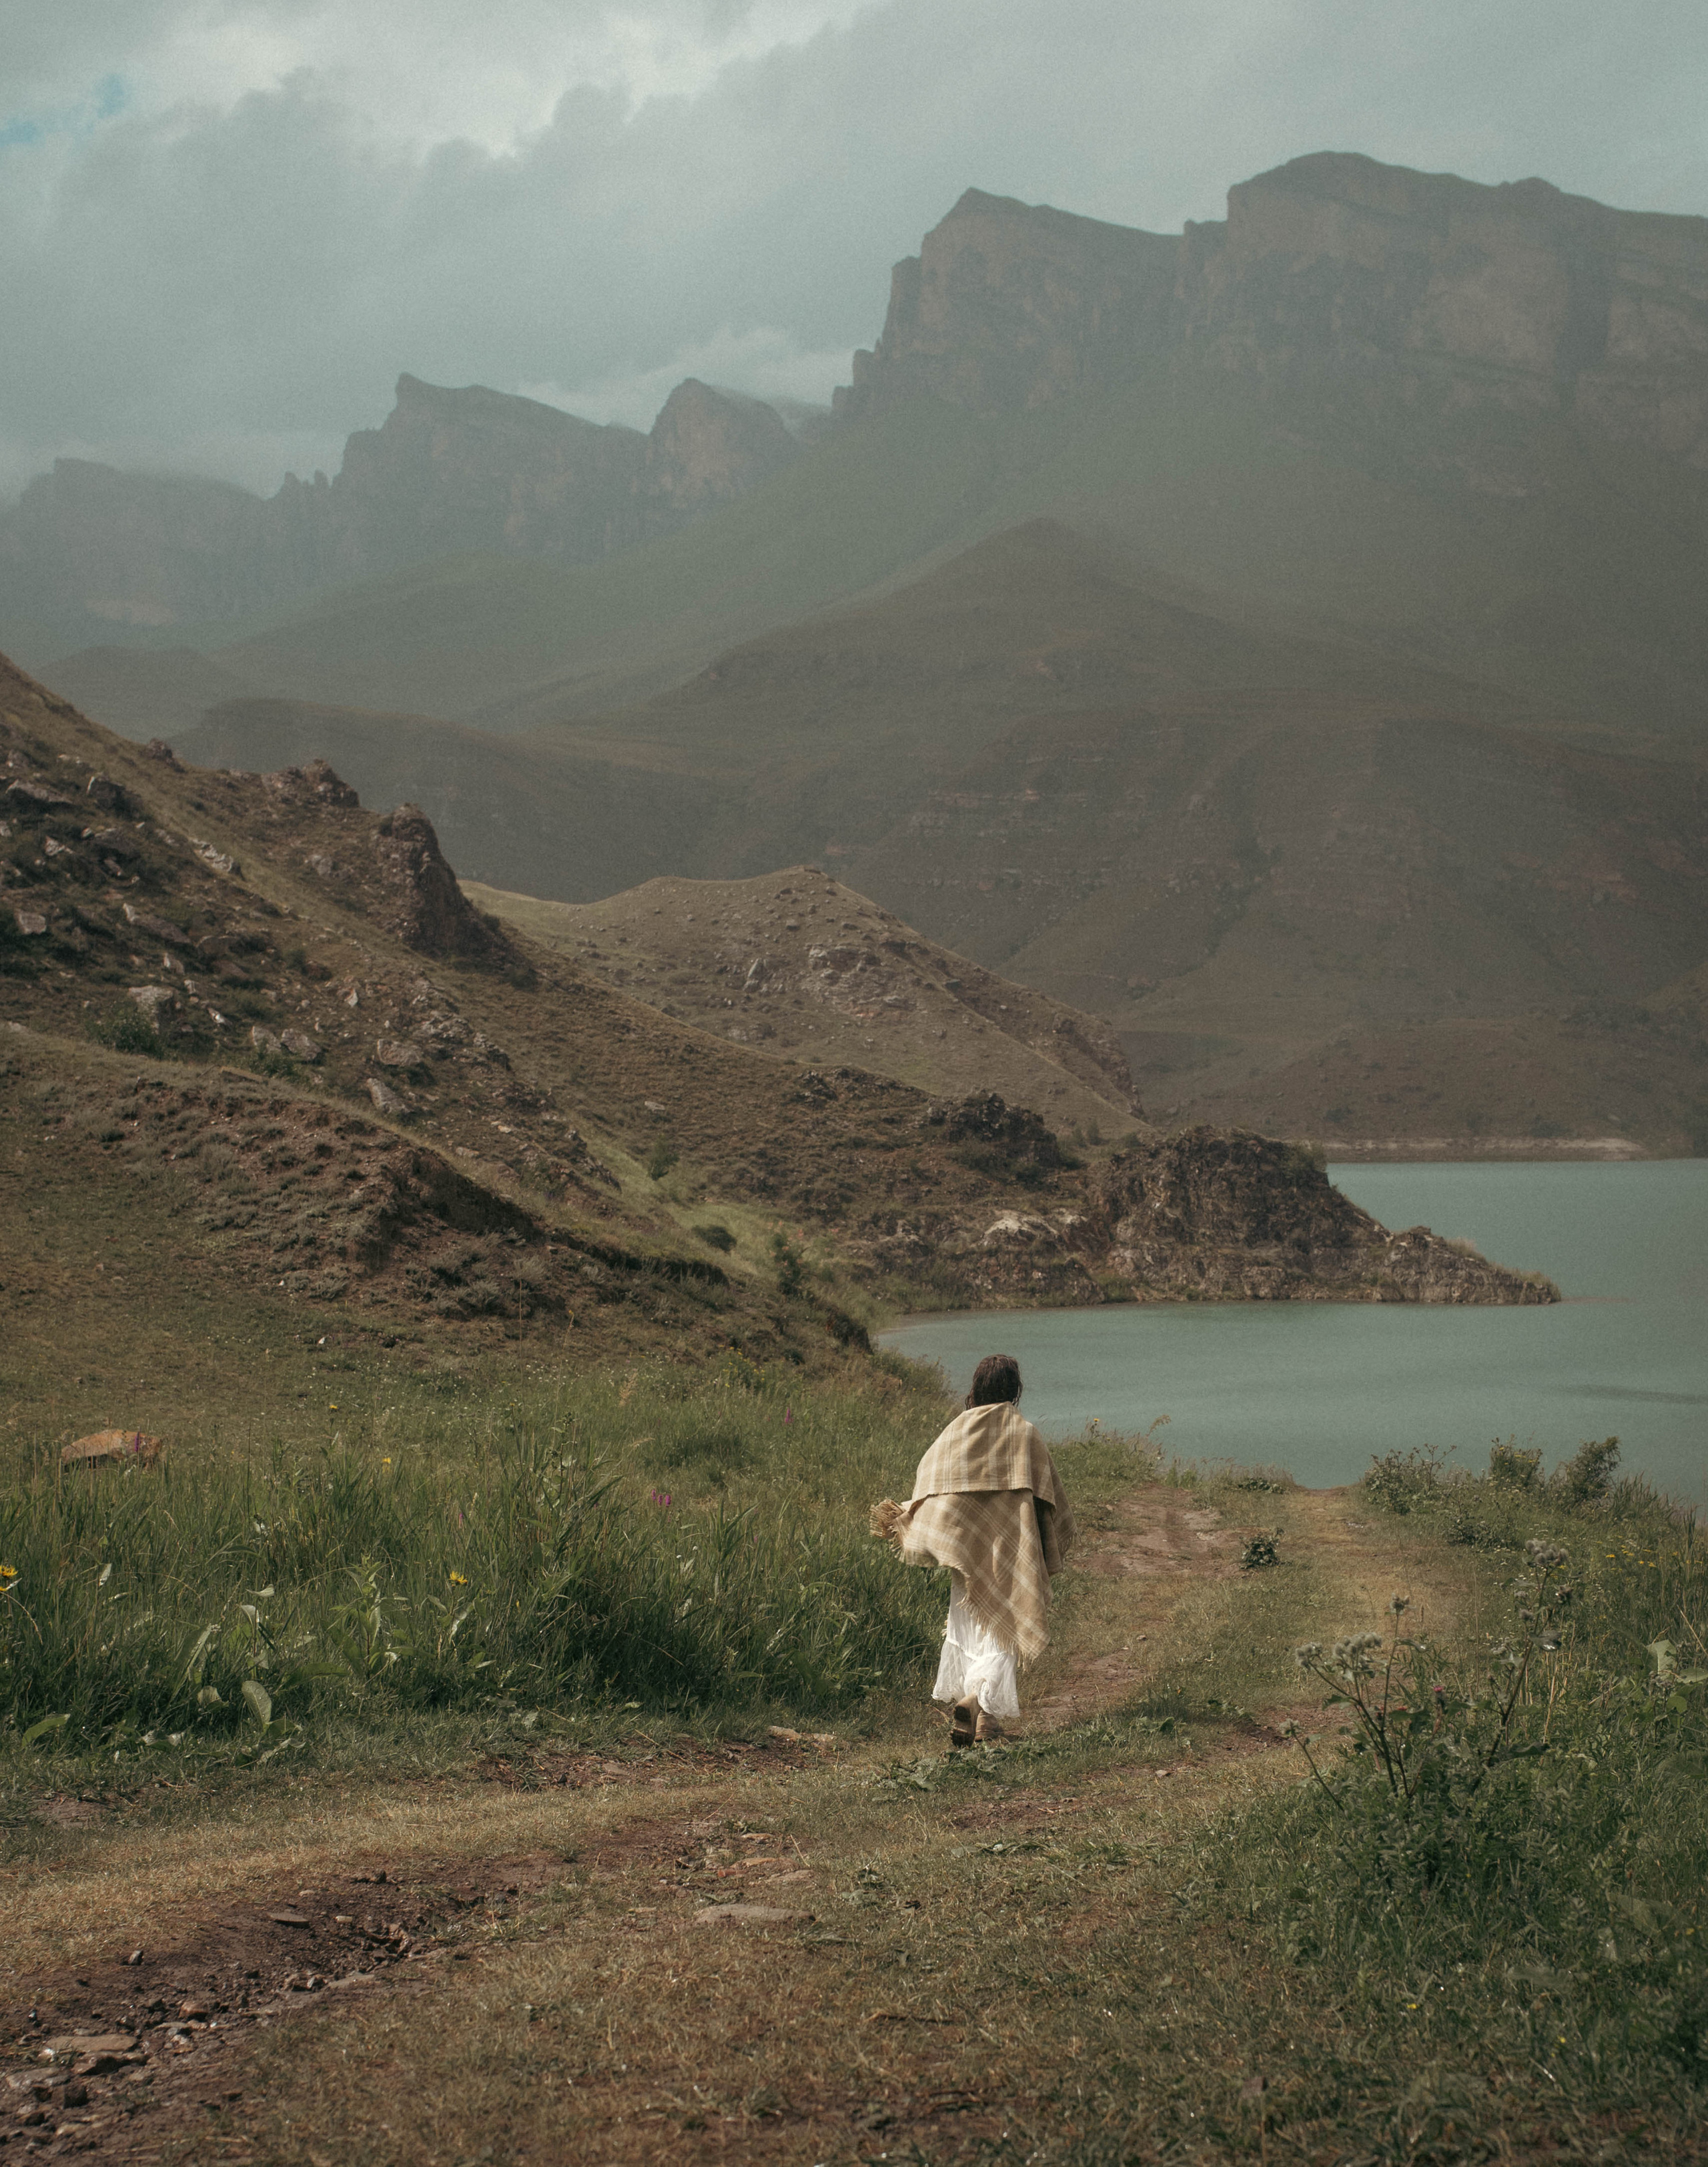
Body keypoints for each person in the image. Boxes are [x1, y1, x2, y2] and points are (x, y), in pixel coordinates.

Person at [871, 1354, 1076, 1747]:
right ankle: (980, 1709)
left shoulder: (955, 1432)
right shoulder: (1025, 1434)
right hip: (1012, 1549)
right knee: (1007, 1625)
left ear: (977, 1388)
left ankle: (980, 1712)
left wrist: (913, 1516)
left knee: (970, 1625)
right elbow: (1048, 1496)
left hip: (966, 1551)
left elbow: (930, 1484)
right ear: (1014, 1390)